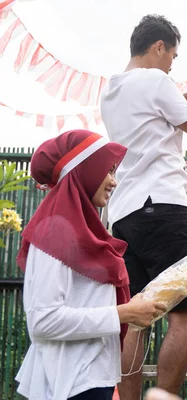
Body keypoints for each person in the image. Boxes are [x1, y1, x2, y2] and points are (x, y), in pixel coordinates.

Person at [99, 14, 187, 398]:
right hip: (163, 206)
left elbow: (164, 110)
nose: (172, 64)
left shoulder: (112, 90)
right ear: (158, 47)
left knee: (136, 319)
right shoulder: (156, 81)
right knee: (183, 314)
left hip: (125, 215)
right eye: (172, 55)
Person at [14, 130, 166, 400]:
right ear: (83, 170)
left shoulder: (81, 232)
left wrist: (132, 307)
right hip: (70, 384)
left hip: (90, 378)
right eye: (107, 171)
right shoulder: (55, 231)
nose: (114, 182)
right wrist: (123, 314)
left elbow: (84, 302)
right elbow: (43, 321)